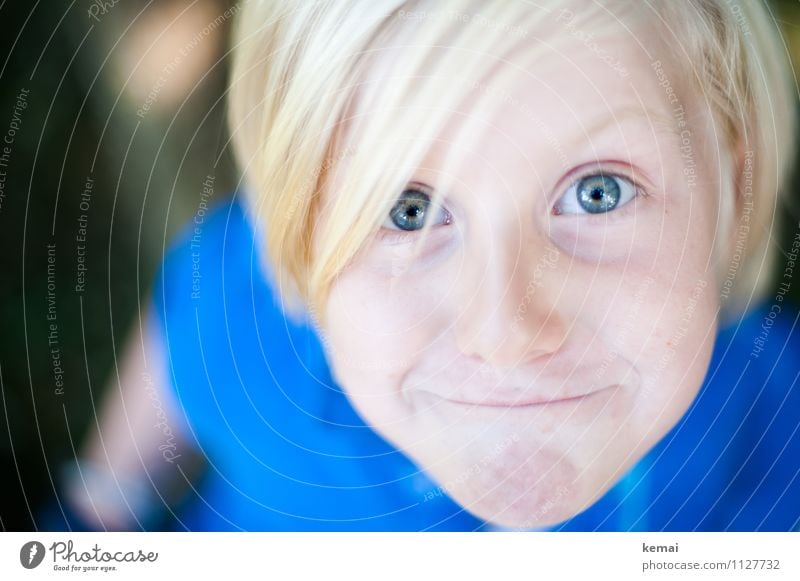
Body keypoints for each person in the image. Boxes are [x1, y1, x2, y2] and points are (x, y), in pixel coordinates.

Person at [65, 0, 800, 531]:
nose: (505, 332)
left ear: (730, 196)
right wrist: (95, 514)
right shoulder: (246, 320)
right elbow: (138, 435)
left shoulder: (776, 432)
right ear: (291, 244)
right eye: (405, 209)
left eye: (597, 192)